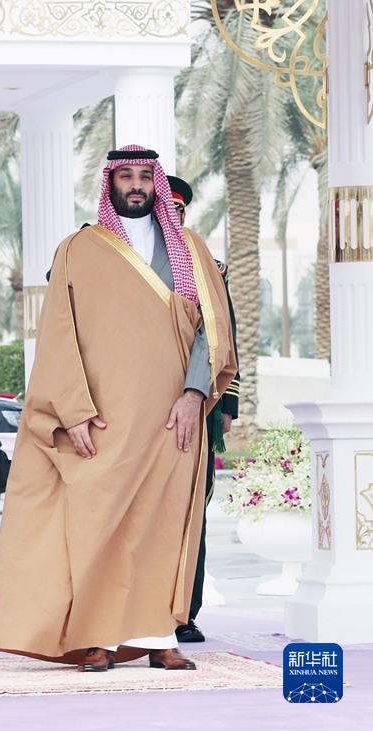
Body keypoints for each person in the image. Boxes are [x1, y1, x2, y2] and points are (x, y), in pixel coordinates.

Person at [0, 145, 237, 673]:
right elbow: (58, 335)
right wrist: (73, 410)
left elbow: (211, 330)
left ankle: (158, 636)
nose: (137, 185)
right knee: (97, 523)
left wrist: (194, 396)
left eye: (145, 176)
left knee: (163, 523)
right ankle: (97, 637)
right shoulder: (78, 250)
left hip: (173, 417)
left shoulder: (190, 248)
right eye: (126, 177)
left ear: (156, 183)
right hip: (102, 416)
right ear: (110, 184)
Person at [167, 176, 241, 644]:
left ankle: (185, 615)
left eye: (179, 211)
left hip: (201, 401)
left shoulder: (210, 266)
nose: (171, 217)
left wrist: (227, 403)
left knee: (194, 508)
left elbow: (225, 332)